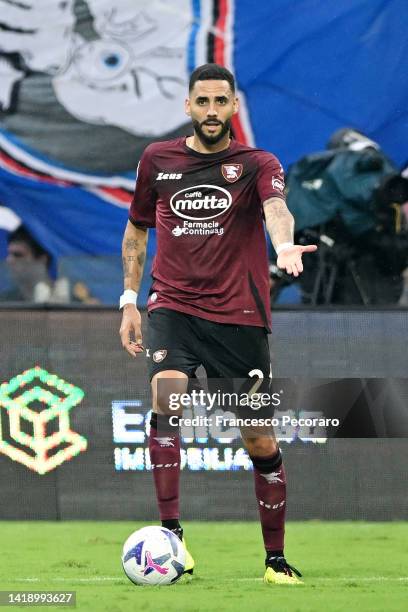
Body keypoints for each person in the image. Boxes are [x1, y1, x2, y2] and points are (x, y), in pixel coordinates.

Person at [119, 63, 317, 585]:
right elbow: (137, 230)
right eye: (201, 101)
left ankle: (275, 559)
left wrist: (284, 245)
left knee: (260, 441)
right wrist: (127, 300)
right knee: (167, 394)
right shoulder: (157, 160)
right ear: (188, 106)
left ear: (233, 107)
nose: (211, 111)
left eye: (219, 102)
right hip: (173, 306)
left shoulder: (257, 163)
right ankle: (171, 538)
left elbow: (277, 209)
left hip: (239, 316)